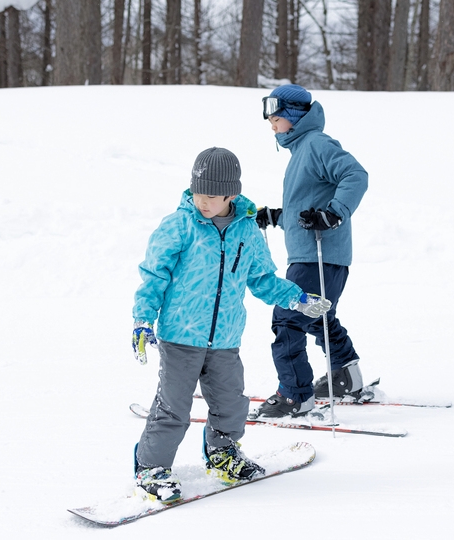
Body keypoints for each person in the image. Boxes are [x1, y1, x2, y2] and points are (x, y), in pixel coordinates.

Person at [130, 147, 332, 503]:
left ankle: (223, 452)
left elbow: (263, 279)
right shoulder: (179, 226)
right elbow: (153, 276)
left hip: (225, 338)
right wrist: (143, 319)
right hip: (180, 336)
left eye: (210, 196)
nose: (202, 202)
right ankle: (152, 467)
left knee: (231, 403)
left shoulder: (247, 232)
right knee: (173, 406)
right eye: (197, 193)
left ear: (231, 196)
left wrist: (297, 298)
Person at [253, 84, 369, 419]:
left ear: (293, 115)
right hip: (314, 254)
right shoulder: (302, 149)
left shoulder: (316, 144)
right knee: (315, 314)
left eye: (275, 117)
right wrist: (277, 216)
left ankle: (295, 396)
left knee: (288, 318)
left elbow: (355, 175)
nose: (271, 124)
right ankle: (345, 375)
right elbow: (307, 208)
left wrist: (334, 213)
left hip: (319, 255)